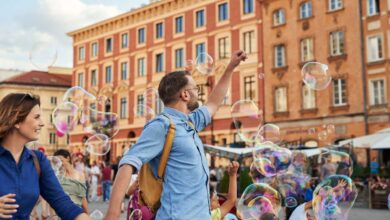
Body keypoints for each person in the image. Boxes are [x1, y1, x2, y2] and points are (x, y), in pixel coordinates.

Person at [105, 51, 247, 219]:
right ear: (184, 94)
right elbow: (128, 163)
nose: (198, 92)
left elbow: (214, 102)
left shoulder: (191, 122)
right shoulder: (162, 125)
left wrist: (231, 67)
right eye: (195, 88)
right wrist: (112, 214)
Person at [0, 93, 89, 220]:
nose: (42, 123)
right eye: (36, 117)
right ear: (16, 120)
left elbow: (62, 202)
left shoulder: (38, 160)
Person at [54, 149, 89, 213]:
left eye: (61, 160)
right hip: (61, 212)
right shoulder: (57, 176)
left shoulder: (80, 175)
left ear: (68, 158)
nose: (59, 163)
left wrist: (87, 214)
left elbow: (83, 197)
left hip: (76, 212)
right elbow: (53, 198)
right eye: (57, 161)